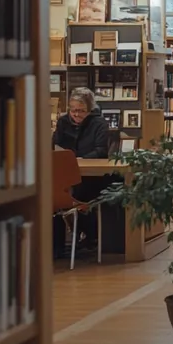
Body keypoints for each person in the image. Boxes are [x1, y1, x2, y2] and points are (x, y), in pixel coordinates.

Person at [51, 87, 112, 259]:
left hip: (90, 178)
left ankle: (90, 235)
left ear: (90, 110)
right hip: (65, 177)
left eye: (81, 111)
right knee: (55, 196)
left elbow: (101, 150)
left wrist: (79, 159)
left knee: (81, 193)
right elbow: (55, 144)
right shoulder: (63, 123)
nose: (76, 115)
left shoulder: (99, 124)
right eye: (73, 110)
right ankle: (58, 247)